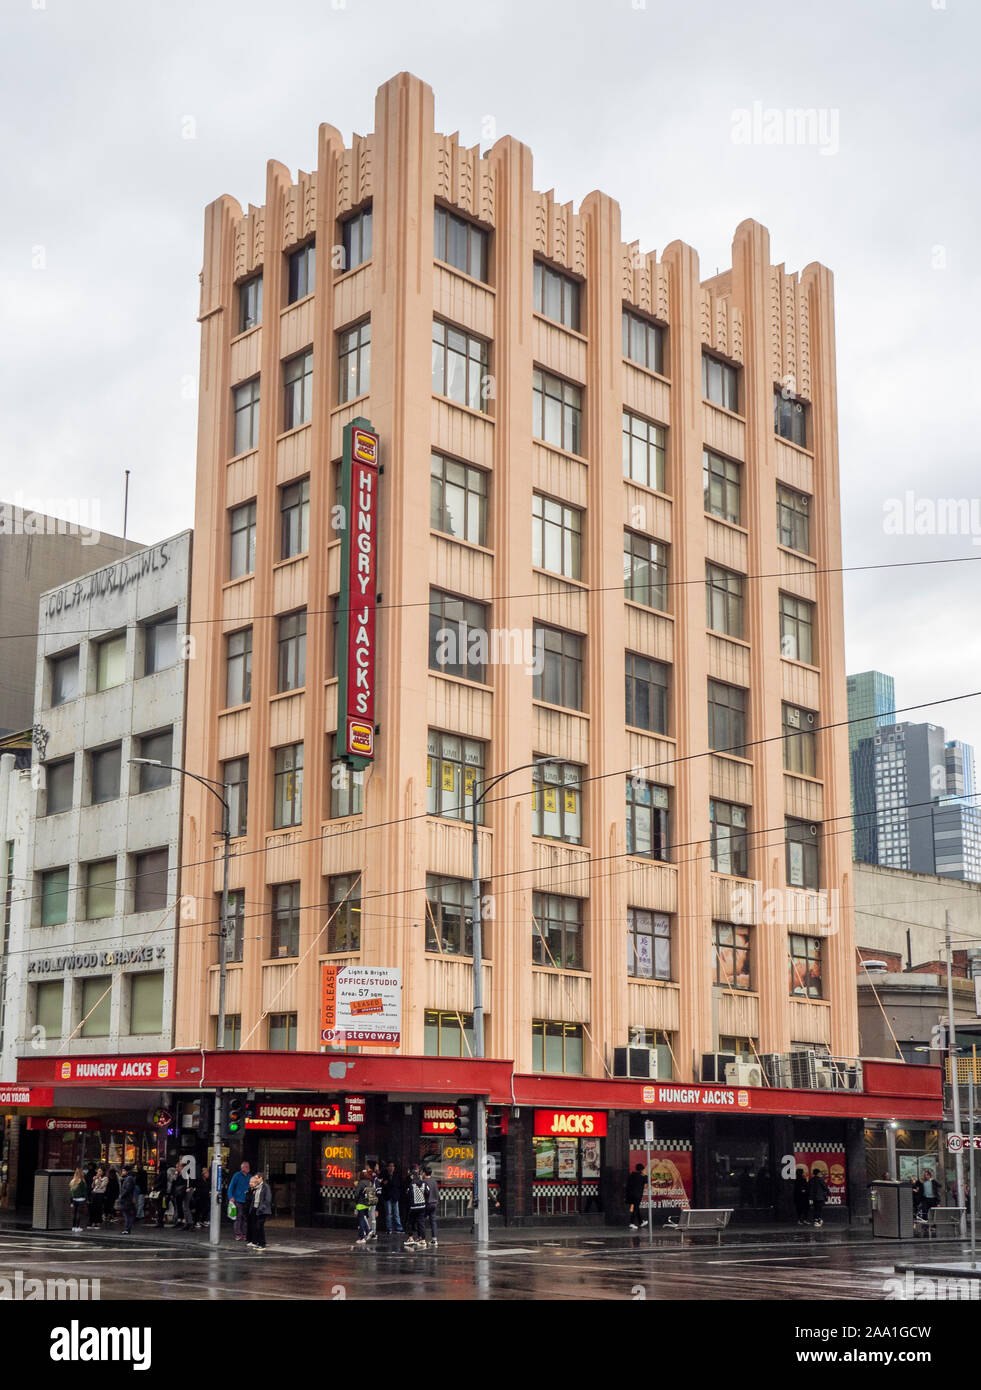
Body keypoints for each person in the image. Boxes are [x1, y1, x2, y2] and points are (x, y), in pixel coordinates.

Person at [246, 1170, 272, 1251]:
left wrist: (262, 1208)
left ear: (261, 1178)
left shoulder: (265, 1187)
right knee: (257, 1227)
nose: (255, 1179)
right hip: (256, 1209)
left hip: (263, 1211)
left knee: (260, 1226)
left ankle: (262, 1244)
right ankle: (258, 1242)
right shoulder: (257, 1187)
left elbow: (267, 1199)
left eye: (257, 1178)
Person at [404, 1165, 428, 1249]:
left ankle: (411, 1238)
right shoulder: (423, 1183)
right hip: (422, 1205)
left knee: (410, 1222)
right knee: (421, 1222)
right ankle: (423, 1240)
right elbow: (427, 1192)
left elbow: (408, 1194)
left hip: (414, 1206)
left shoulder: (412, 1184)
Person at [228, 1161, 252, 1241]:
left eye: (245, 1167)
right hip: (238, 1199)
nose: (244, 1169)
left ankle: (244, 1234)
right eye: (243, 1167)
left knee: (245, 1218)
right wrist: (230, 1196)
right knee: (239, 1217)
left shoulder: (250, 1177)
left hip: (247, 1200)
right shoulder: (237, 1175)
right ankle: (238, 1234)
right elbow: (231, 1186)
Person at [353, 1167, 376, 1246]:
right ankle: (367, 1232)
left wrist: (356, 1202)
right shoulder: (370, 1182)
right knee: (364, 1218)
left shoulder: (361, 1183)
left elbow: (356, 1194)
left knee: (361, 1220)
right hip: (368, 1204)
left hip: (361, 1204)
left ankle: (363, 1236)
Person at [381, 1162, 403, 1234]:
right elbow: (383, 1184)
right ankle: (389, 1228)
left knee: (396, 1213)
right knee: (389, 1213)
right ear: (387, 1167)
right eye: (389, 1166)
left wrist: (388, 1183)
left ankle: (398, 1227)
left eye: (392, 1166)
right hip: (387, 1196)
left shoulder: (396, 1175)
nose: (391, 1168)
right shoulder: (384, 1174)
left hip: (395, 1196)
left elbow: (397, 1184)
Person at [421, 1166, 439, 1249]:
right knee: (433, 1221)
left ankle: (422, 1238)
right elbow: (437, 1193)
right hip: (434, 1203)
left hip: (426, 1204)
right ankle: (434, 1239)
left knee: (421, 1220)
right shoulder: (434, 1181)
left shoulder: (423, 1182)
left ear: (424, 1173)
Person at [626, 1163, 648, 1230]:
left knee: (636, 1207)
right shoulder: (643, 1177)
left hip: (630, 1194)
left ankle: (641, 1222)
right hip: (638, 1195)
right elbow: (646, 1184)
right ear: (642, 1170)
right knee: (635, 1208)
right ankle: (631, 1223)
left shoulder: (632, 1175)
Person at [118, 1165, 137, 1235]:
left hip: (127, 1200)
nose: (122, 1172)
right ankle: (127, 1229)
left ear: (126, 1171)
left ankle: (127, 1229)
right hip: (127, 1199)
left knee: (127, 1215)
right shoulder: (128, 1178)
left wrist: (121, 1196)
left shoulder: (129, 1178)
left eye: (123, 1171)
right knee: (128, 1215)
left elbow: (127, 1189)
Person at [69, 1168, 88, 1233]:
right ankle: (77, 1227)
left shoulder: (72, 1181)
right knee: (79, 1213)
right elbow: (84, 1191)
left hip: (74, 1199)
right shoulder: (82, 1181)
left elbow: (71, 1192)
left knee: (74, 1213)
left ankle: (73, 1227)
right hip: (81, 1199)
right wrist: (86, 1199)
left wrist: (71, 1201)